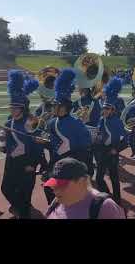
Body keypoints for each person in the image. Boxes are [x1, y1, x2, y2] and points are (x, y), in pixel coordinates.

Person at [43, 69, 92, 204]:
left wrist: (82, 168)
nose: (53, 108)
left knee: (70, 197)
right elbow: (53, 144)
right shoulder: (52, 122)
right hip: (56, 163)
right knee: (49, 189)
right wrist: (43, 142)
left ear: (64, 107)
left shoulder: (76, 123)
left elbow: (86, 145)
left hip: (72, 165)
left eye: (56, 105)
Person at [0, 70, 42, 219]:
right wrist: (2, 146)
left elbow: (38, 146)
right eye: (11, 107)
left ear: (22, 108)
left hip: (27, 163)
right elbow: (8, 145)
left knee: (25, 197)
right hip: (11, 163)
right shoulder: (7, 122)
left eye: (15, 108)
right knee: (6, 189)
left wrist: (33, 163)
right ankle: (20, 208)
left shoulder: (31, 122)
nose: (12, 110)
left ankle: (23, 211)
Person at [44, 158, 126, 219]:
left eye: (62, 185)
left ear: (81, 182)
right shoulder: (57, 200)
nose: (55, 190)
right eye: (54, 185)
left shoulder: (104, 207)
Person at [94, 76, 126, 204]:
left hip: (112, 152)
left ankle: (117, 199)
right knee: (98, 179)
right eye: (104, 108)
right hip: (102, 152)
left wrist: (116, 149)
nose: (104, 111)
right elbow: (99, 134)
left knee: (114, 177)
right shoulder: (101, 120)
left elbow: (126, 139)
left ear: (113, 110)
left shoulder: (117, 122)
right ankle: (108, 196)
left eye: (107, 109)